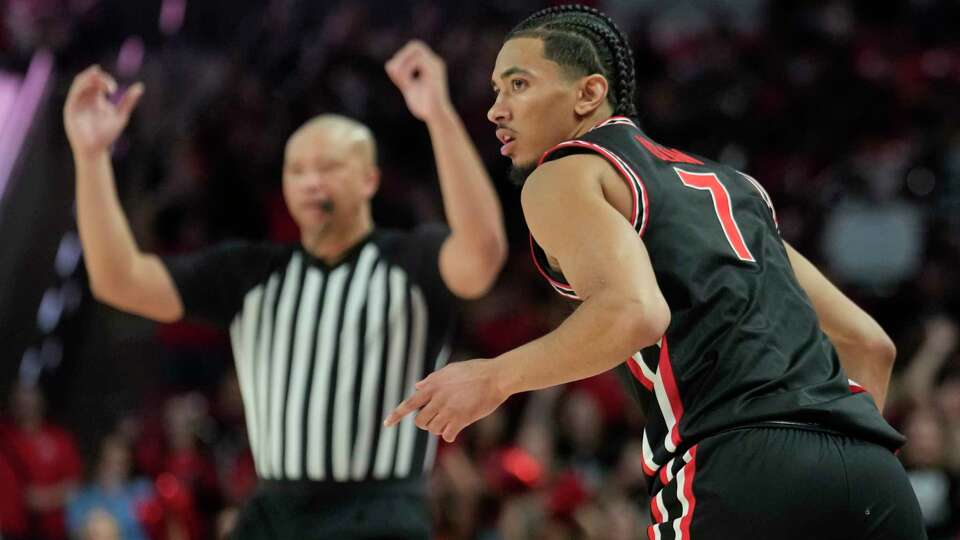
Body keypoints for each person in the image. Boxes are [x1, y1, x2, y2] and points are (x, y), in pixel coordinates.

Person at [385, 5, 926, 539]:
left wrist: (494, 376)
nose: (496, 110)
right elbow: (869, 344)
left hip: (736, 465)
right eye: (496, 90)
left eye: (518, 85)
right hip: (872, 477)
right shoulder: (735, 189)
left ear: (588, 94)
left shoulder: (565, 172)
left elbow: (635, 311)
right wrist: (832, 462)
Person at [63, 40, 507, 539]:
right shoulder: (251, 272)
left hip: (380, 511)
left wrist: (439, 115)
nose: (311, 182)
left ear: (369, 179)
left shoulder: (412, 261)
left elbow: (483, 254)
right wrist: (92, 156)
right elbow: (118, 279)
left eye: (328, 167)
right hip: (275, 509)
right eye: (297, 170)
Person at [0, 382, 82, 540]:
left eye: (29, 396)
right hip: (8, 531)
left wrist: (44, 498)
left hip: (50, 532)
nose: (24, 402)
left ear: (41, 401)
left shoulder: (59, 439)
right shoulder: (4, 435)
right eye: (19, 397)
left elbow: (74, 487)